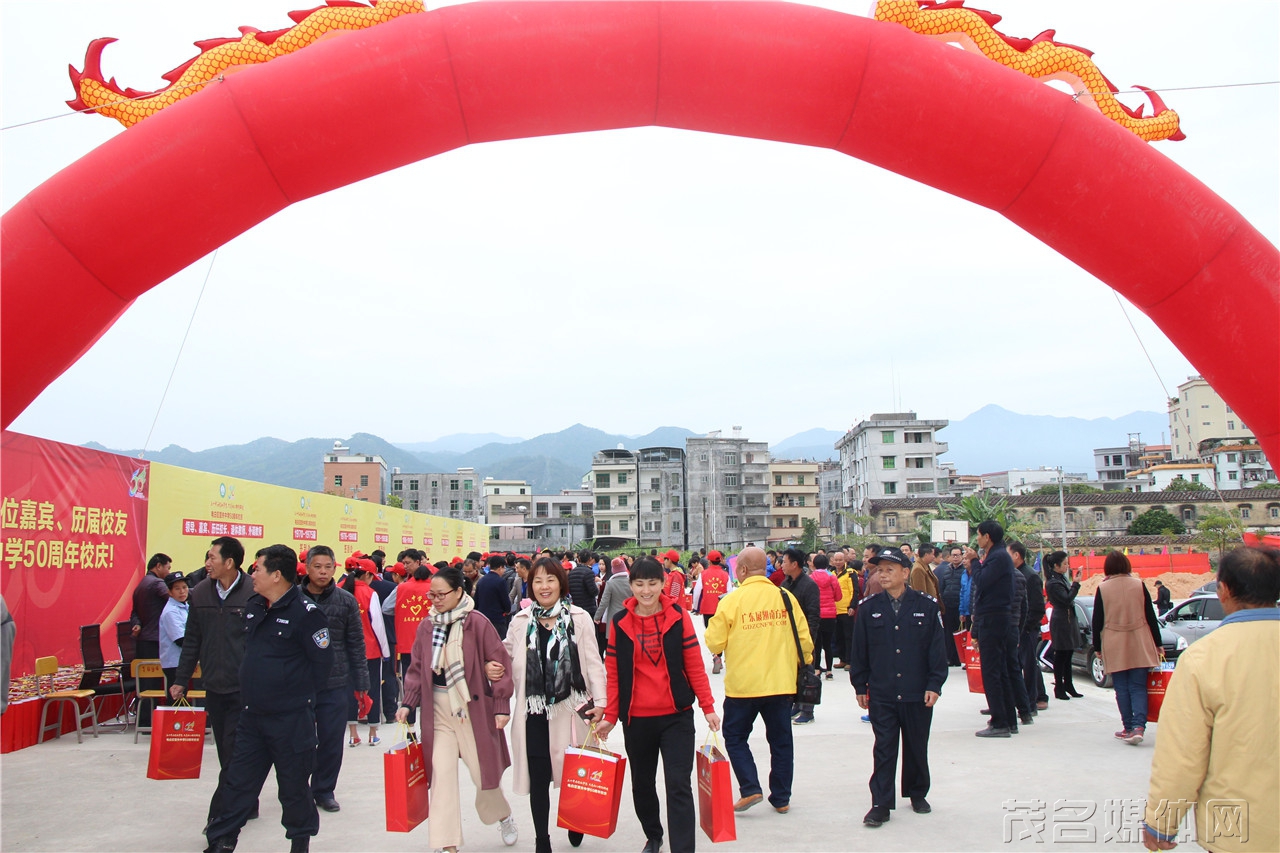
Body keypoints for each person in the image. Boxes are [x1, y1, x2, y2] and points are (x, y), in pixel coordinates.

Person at [1142, 546, 1279, 853]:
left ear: (1225, 590)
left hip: (1240, 831)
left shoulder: (1204, 658)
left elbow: (1182, 755)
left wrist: (1161, 822)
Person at [204, 544, 332, 853]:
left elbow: (322, 668)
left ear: (276, 575)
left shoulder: (307, 615)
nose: (253, 574)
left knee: (293, 788)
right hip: (251, 718)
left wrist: (294, 696)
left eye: (257, 569)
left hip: (290, 720)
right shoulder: (254, 606)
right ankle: (222, 841)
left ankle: (299, 843)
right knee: (237, 783)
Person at [597, 556, 720, 853]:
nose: (646, 590)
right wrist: (611, 716)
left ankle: (683, 847)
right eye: (639, 584)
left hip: (676, 717)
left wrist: (708, 706)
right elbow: (613, 674)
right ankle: (653, 835)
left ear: (663, 584)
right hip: (636, 719)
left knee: (679, 784)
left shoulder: (679, 617)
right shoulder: (620, 623)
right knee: (642, 785)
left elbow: (693, 664)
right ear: (631, 586)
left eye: (653, 583)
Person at [396, 566, 519, 853]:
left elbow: (500, 664)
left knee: (482, 776)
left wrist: (501, 706)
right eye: (432, 595)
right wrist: (407, 702)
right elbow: (416, 668)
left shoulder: (476, 622)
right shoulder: (427, 626)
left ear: (459, 592)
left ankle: (503, 816)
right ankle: (446, 842)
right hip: (438, 710)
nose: (436, 600)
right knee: (441, 774)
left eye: (442, 594)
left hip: (471, 708)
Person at [502, 556, 607, 853]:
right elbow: (505, 658)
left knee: (573, 773)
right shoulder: (520, 622)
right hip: (533, 712)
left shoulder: (579, 618)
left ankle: (574, 820)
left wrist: (601, 702)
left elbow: (593, 664)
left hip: (571, 710)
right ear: (529, 585)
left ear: (560, 583)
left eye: (550, 579)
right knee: (539, 779)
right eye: (537, 580)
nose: (544, 586)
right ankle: (541, 840)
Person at [704, 546, 812, 815]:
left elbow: (714, 641)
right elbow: (805, 643)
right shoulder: (785, 597)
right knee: (781, 741)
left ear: (740, 570)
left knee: (736, 737)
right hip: (780, 683)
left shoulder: (731, 601)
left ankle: (750, 787)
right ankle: (782, 797)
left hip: (743, 686)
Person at [850, 547, 948, 827]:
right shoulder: (869, 608)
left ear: (906, 573)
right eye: (879, 569)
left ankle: (917, 793)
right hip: (883, 691)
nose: (883, 574)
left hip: (917, 691)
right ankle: (880, 803)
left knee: (916, 745)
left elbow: (936, 650)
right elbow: (860, 651)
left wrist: (934, 684)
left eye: (889, 569)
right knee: (884, 747)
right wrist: (860, 685)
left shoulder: (926, 606)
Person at [172, 536, 256, 832]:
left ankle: (221, 817)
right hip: (214, 685)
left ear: (229, 562)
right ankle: (247, 799)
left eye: (212, 558)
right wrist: (181, 680)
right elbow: (193, 638)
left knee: (235, 750)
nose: (207, 564)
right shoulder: (200, 593)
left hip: (245, 687)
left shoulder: (254, 592)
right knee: (225, 749)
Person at [302, 545, 368, 813]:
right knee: (300, 741)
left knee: (331, 739)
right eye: (317, 566)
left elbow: (356, 642)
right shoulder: (292, 598)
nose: (322, 572)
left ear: (335, 568)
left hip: (336, 681)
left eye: (327, 567)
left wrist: (362, 682)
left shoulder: (346, 601)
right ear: (307, 568)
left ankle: (324, 789)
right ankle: (298, 788)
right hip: (299, 683)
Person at [1092, 550, 1162, 745]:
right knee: (1138, 686)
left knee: (1121, 687)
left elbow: (1097, 620)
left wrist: (1097, 646)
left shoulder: (1103, 588)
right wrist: (1158, 643)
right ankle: (1139, 727)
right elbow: (1150, 616)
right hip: (1139, 639)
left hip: (1114, 641)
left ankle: (1128, 727)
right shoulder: (1139, 585)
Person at [972, 521, 1018, 737]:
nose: (977, 538)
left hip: (994, 618)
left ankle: (1000, 722)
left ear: (987, 537)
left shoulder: (998, 557)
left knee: (992, 671)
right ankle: (1007, 719)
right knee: (999, 670)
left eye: (979, 534)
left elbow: (981, 581)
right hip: (995, 617)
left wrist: (974, 562)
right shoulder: (998, 556)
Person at [341, 559, 390, 747]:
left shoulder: (339, 589)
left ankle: (353, 734)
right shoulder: (370, 593)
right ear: (368, 575)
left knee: (349, 690)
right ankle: (372, 732)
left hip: (345, 650)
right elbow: (377, 625)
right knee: (372, 688)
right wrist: (385, 652)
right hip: (369, 650)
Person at [779, 547, 821, 725]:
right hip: (788, 637)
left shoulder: (809, 585)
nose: (781, 565)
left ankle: (808, 710)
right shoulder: (785, 584)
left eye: (784, 562)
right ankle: (796, 704)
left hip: (804, 637)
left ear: (795, 564)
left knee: (807, 673)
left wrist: (809, 638)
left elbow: (813, 614)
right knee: (792, 673)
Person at [131, 552, 172, 729]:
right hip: (154, 640)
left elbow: (134, 613)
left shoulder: (141, 583)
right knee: (154, 682)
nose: (168, 572)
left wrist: (137, 624)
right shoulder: (157, 584)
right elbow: (176, 596)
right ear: (158, 566)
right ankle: (150, 721)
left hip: (143, 640)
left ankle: (146, 720)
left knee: (147, 683)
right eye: (167, 568)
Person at [393, 557, 436, 725]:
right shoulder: (433, 590)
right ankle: (429, 725)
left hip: (406, 642)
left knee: (409, 683)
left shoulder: (401, 588)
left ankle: (410, 725)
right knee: (430, 685)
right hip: (430, 644)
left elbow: (387, 608)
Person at [1011, 543, 1048, 710]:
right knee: (1017, 665)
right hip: (1017, 629)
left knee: (1029, 665)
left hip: (1027, 629)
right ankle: (1018, 700)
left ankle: (1033, 701)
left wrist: (1026, 627)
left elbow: (1038, 607)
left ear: (1017, 555)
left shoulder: (1030, 576)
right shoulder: (1014, 574)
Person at [1043, 551, 1083, 700]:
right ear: (1056, 565)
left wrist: (1074, 583)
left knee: (1068, 653)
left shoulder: (1061, 579)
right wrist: (1076, 584)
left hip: (1068, 618)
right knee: (1061, 654)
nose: (1067, 566)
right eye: (1065, 564)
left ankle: (1069, 685)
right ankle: (1059, 687)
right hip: (1060, 619)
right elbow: (1066, 599)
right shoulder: (1053, 582)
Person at [692, 550, 732, 674]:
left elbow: (697, 591)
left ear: (709, 561)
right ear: (720, 560)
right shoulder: (725, 575)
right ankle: (720, 656)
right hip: (721, 609)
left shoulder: (704, 574)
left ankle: (716, 656)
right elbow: (729, 592)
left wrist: (696, 607)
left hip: (707, 608)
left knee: (710, 633)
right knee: (722, 632)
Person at [809, 553, 843, 680]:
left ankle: (817, 669)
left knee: (817, 644)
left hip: (816, 614)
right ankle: (829, 671)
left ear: (814, 564)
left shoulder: (811, 577)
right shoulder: (832, 577)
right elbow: (838, 596)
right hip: (830, 614)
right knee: (828, 644)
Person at [158, 571, 190, 687]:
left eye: (184, 587)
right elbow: (180, 640)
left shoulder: (185, 607)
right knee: (176, 699)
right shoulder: (171, 611)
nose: (182, 591)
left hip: (183, 662)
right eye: (177, 589)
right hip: (174, 663)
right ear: (169, 592)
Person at [936, 546, 963, 666]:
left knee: (959, 632)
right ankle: (950, 657)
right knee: (948, 633)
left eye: (958, 555)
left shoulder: (965, 570)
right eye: (954, 555)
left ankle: (958, 658)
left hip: (959, 606)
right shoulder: (947, 570)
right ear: (950, 557)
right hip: (948, 606)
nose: (956, 557)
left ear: (961, 556)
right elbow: (942, 587)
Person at [476, 554, 514, 639]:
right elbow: (505, 600)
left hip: (482, 619)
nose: (504, 571)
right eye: (504, 568)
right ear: (500, 567)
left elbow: (476, 601)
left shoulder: (481, 580)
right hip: (497, 620)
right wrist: (508, 610)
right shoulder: (500, 581)